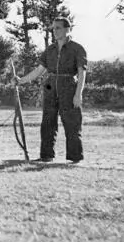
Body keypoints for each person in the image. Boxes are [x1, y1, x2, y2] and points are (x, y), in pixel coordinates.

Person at [12, 16, 87, 164]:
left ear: (67, 29)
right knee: (47, 123)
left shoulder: (77, 49)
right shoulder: (50, 50)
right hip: (50, 87)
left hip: (69, 87)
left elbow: (82, 73)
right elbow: (39, 71)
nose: (55, 31)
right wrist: (21, 81)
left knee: (72, 123)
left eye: (58, 28)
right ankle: (46, 156)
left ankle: (75, 158)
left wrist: (78, 94)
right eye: (53, 28)